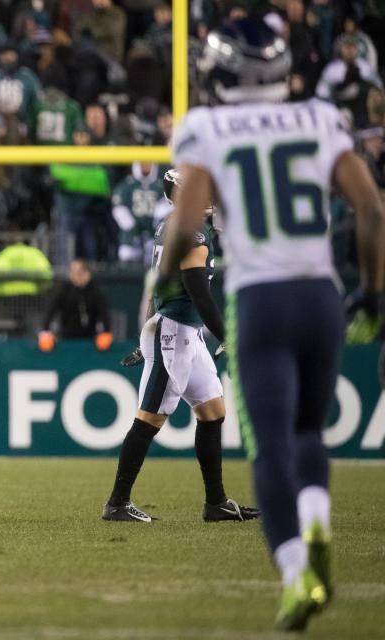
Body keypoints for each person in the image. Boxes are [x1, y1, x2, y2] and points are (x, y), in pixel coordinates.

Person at [159, 18, 384, 630]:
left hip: (260, 297)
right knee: (310, 431)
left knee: (268, 443)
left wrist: (157, 285)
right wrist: (373, 290)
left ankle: (295, 572)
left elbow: (183, 224)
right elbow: (369, 208)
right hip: (319, 293)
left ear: (224, 69)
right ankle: (316, 524)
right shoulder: (318, 116)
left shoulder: (205, 126)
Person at [105, 169, 258, 524]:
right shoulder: (188, 229)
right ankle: (116, 503)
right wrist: (227, 335)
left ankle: (216, 502)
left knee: (213, 410)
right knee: (150, 418)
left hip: (187, 332)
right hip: (175, 332)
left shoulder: (178, 224)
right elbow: (197, 290)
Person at [44, 259, 112, 348]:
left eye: (79, 273)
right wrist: (45, 331)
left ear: (87, 274)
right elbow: (51, 310)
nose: (75, 276)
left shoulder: (96, 291)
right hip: (67, 338)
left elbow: (104, 313)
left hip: (90, 339)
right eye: (72, 272)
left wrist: (106, 332)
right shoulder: (64, 290)